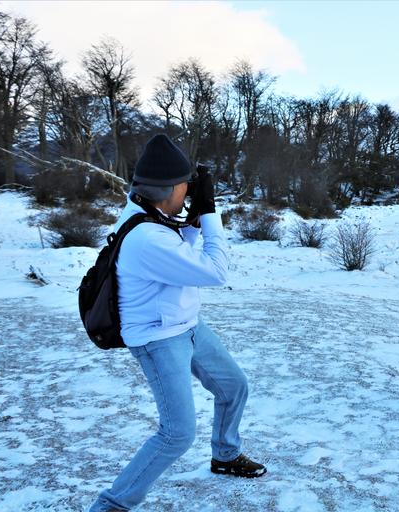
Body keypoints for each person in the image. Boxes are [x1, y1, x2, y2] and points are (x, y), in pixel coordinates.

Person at [89, 134, 266, 512]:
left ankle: (225, 454)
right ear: (167, 189)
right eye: (185, 186)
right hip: (157, 339)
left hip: (187, 326)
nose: (189, 193)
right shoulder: (146, 237)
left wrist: (192, 219)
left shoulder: (148, 212)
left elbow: (177, 242)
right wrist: (211, 216)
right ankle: (112, 506)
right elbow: (216, 271)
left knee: (234, 387)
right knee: (177, 433)